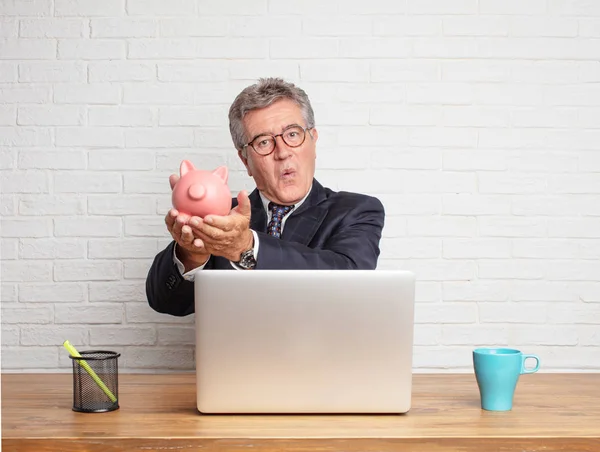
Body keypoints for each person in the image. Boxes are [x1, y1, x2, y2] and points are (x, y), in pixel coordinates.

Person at [146, 78, 385, 316]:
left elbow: (350, 280)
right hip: (235, 354)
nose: (282, 152)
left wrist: (247, 248)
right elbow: (166, 303)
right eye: (263, 142)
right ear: (245, 161)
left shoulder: (357, 210)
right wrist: (191, 254)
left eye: (292, 135)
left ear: (313, 140)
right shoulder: (221, 220)